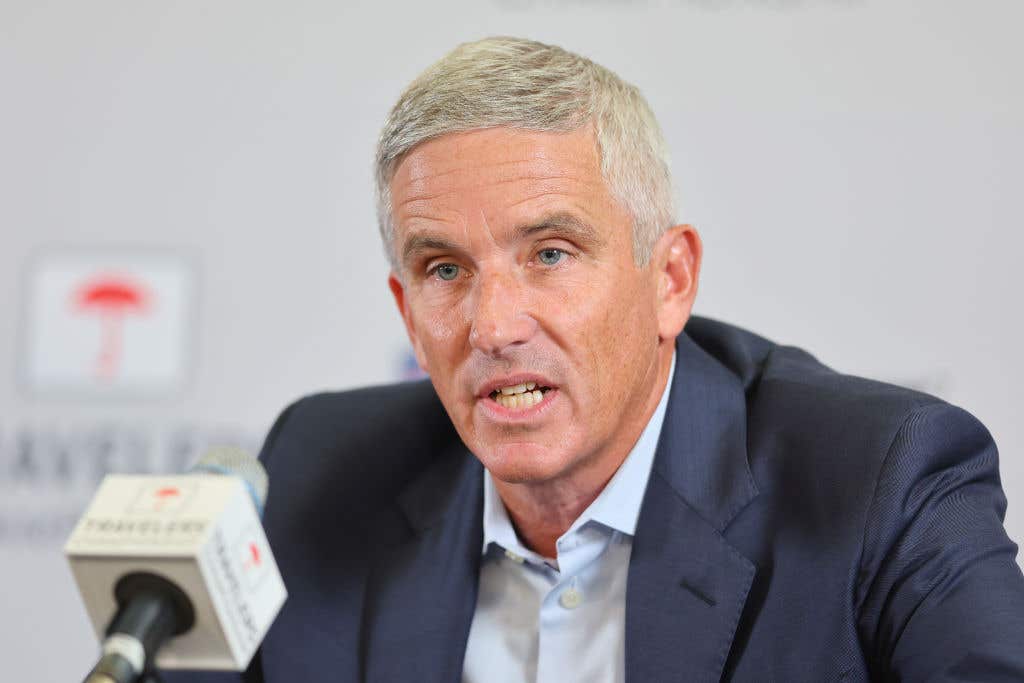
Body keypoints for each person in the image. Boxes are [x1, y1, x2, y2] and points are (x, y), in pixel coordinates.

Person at [165, 36, 1024, 682]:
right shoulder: (319, 471)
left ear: (670, 279)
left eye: (550, 254)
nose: (493, 326)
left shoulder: (879, 479)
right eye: (445, 269)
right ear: (407, 314)